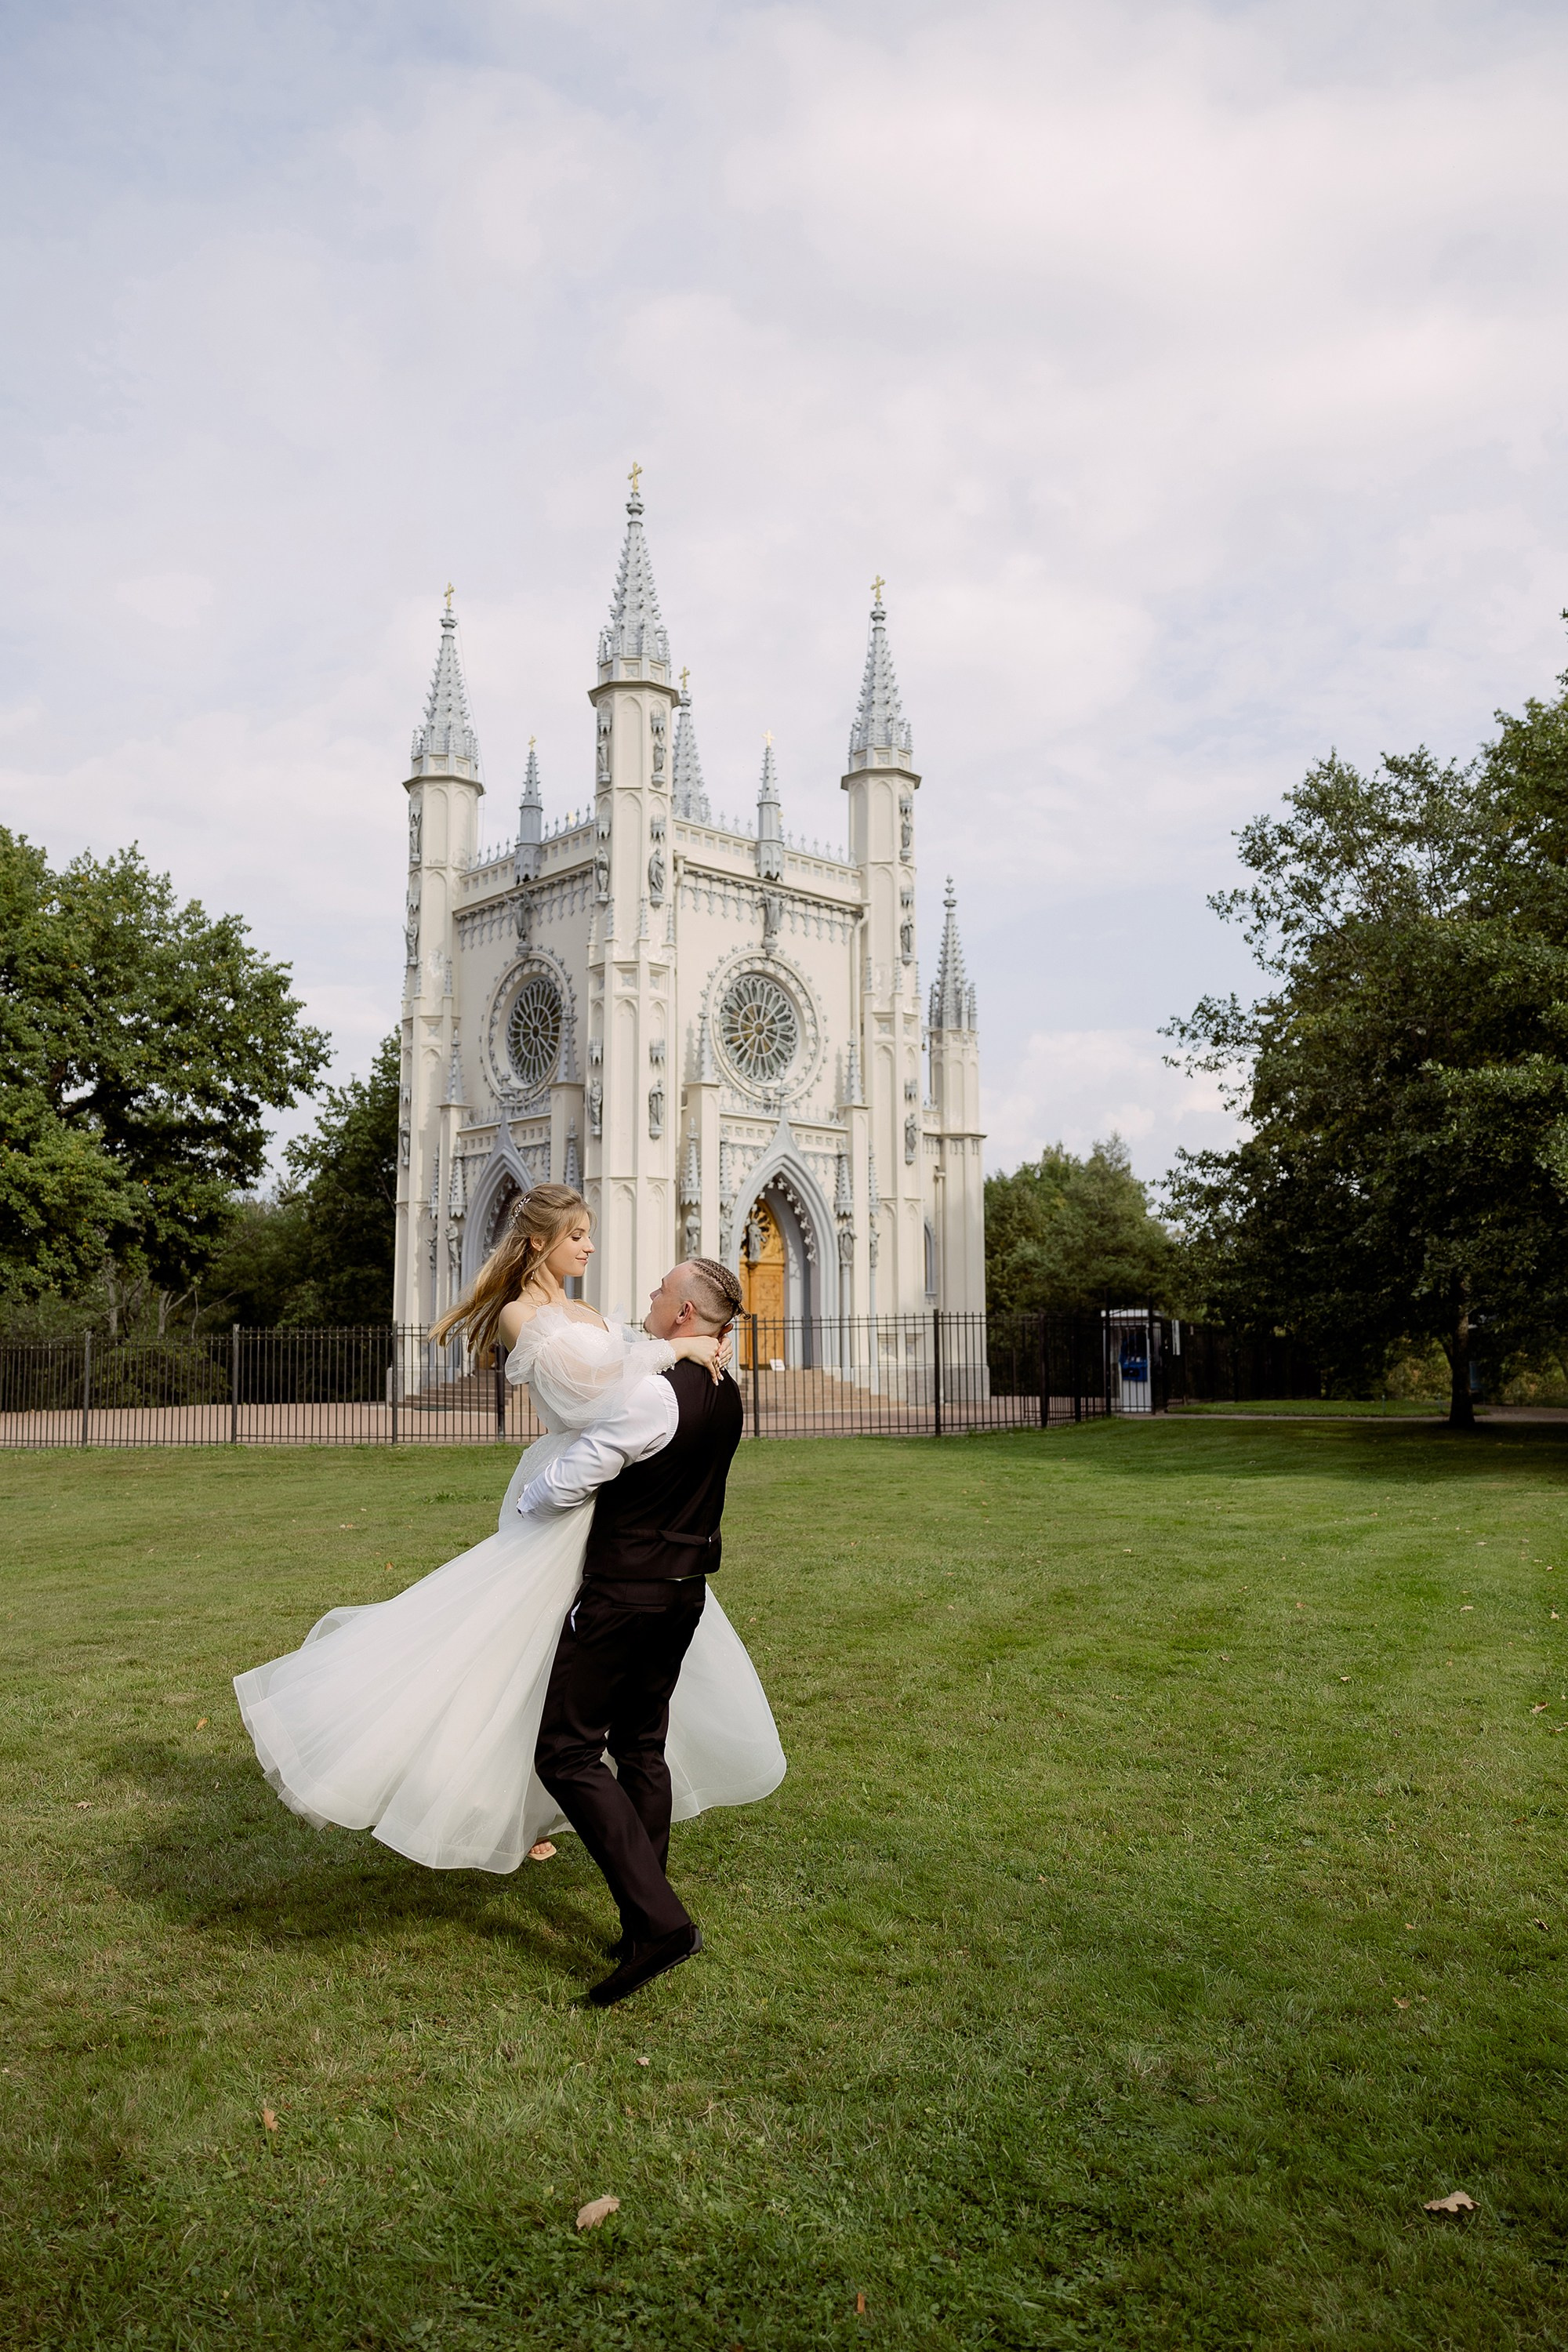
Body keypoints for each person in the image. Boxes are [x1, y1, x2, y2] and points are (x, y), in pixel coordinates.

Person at [232, 1185, 785, 1900]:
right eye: (578, 1234)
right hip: (561, 1495)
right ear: (539, 1243)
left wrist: (680, 1352)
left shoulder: (587, 1311)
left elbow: (628, 1387)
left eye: (588, 1233)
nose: (589, 1246)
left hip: (614, 1505)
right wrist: (673, 1348)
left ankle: (561, 1821)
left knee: (574, 1675)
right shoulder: (520, 1316)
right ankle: (496, 1802)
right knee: (517, 1658)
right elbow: (588, 1392)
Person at [521, 1253, 748, 2006]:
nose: (649, 1298)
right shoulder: (729, 1392)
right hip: (685, 1593)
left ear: (685, 1314)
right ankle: (639, 1917)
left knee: (566, 1751)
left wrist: (528, 1498)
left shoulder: (654, 1396)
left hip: (625, 1594)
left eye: (660, 1292)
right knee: (641, 1748)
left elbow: (574, 1478)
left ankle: (659, 1925)